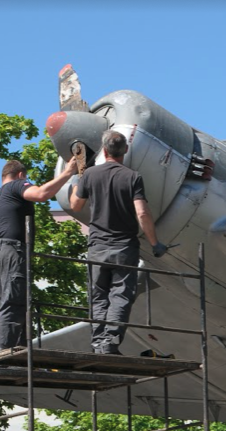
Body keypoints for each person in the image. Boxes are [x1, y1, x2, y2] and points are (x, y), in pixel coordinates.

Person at [68, 130, 168, 355]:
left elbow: (75, 205)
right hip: (124, 247)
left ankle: (97, 345)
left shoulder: (90, 175)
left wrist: (77, 178)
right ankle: (110, 343)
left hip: (97, 247)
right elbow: (142, 213)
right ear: (126, 150)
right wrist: (155, 244)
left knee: (98, 297)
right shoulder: (133, 177)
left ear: (104, 150)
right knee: (120, 296)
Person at [0, 157, 78, 352]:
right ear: (21, 175)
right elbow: (41, 193)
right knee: (14, 300)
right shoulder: (16, 186)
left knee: (11, 301)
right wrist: (68, 172)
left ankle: (18, 348)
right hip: (12, 251)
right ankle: (1, 350)